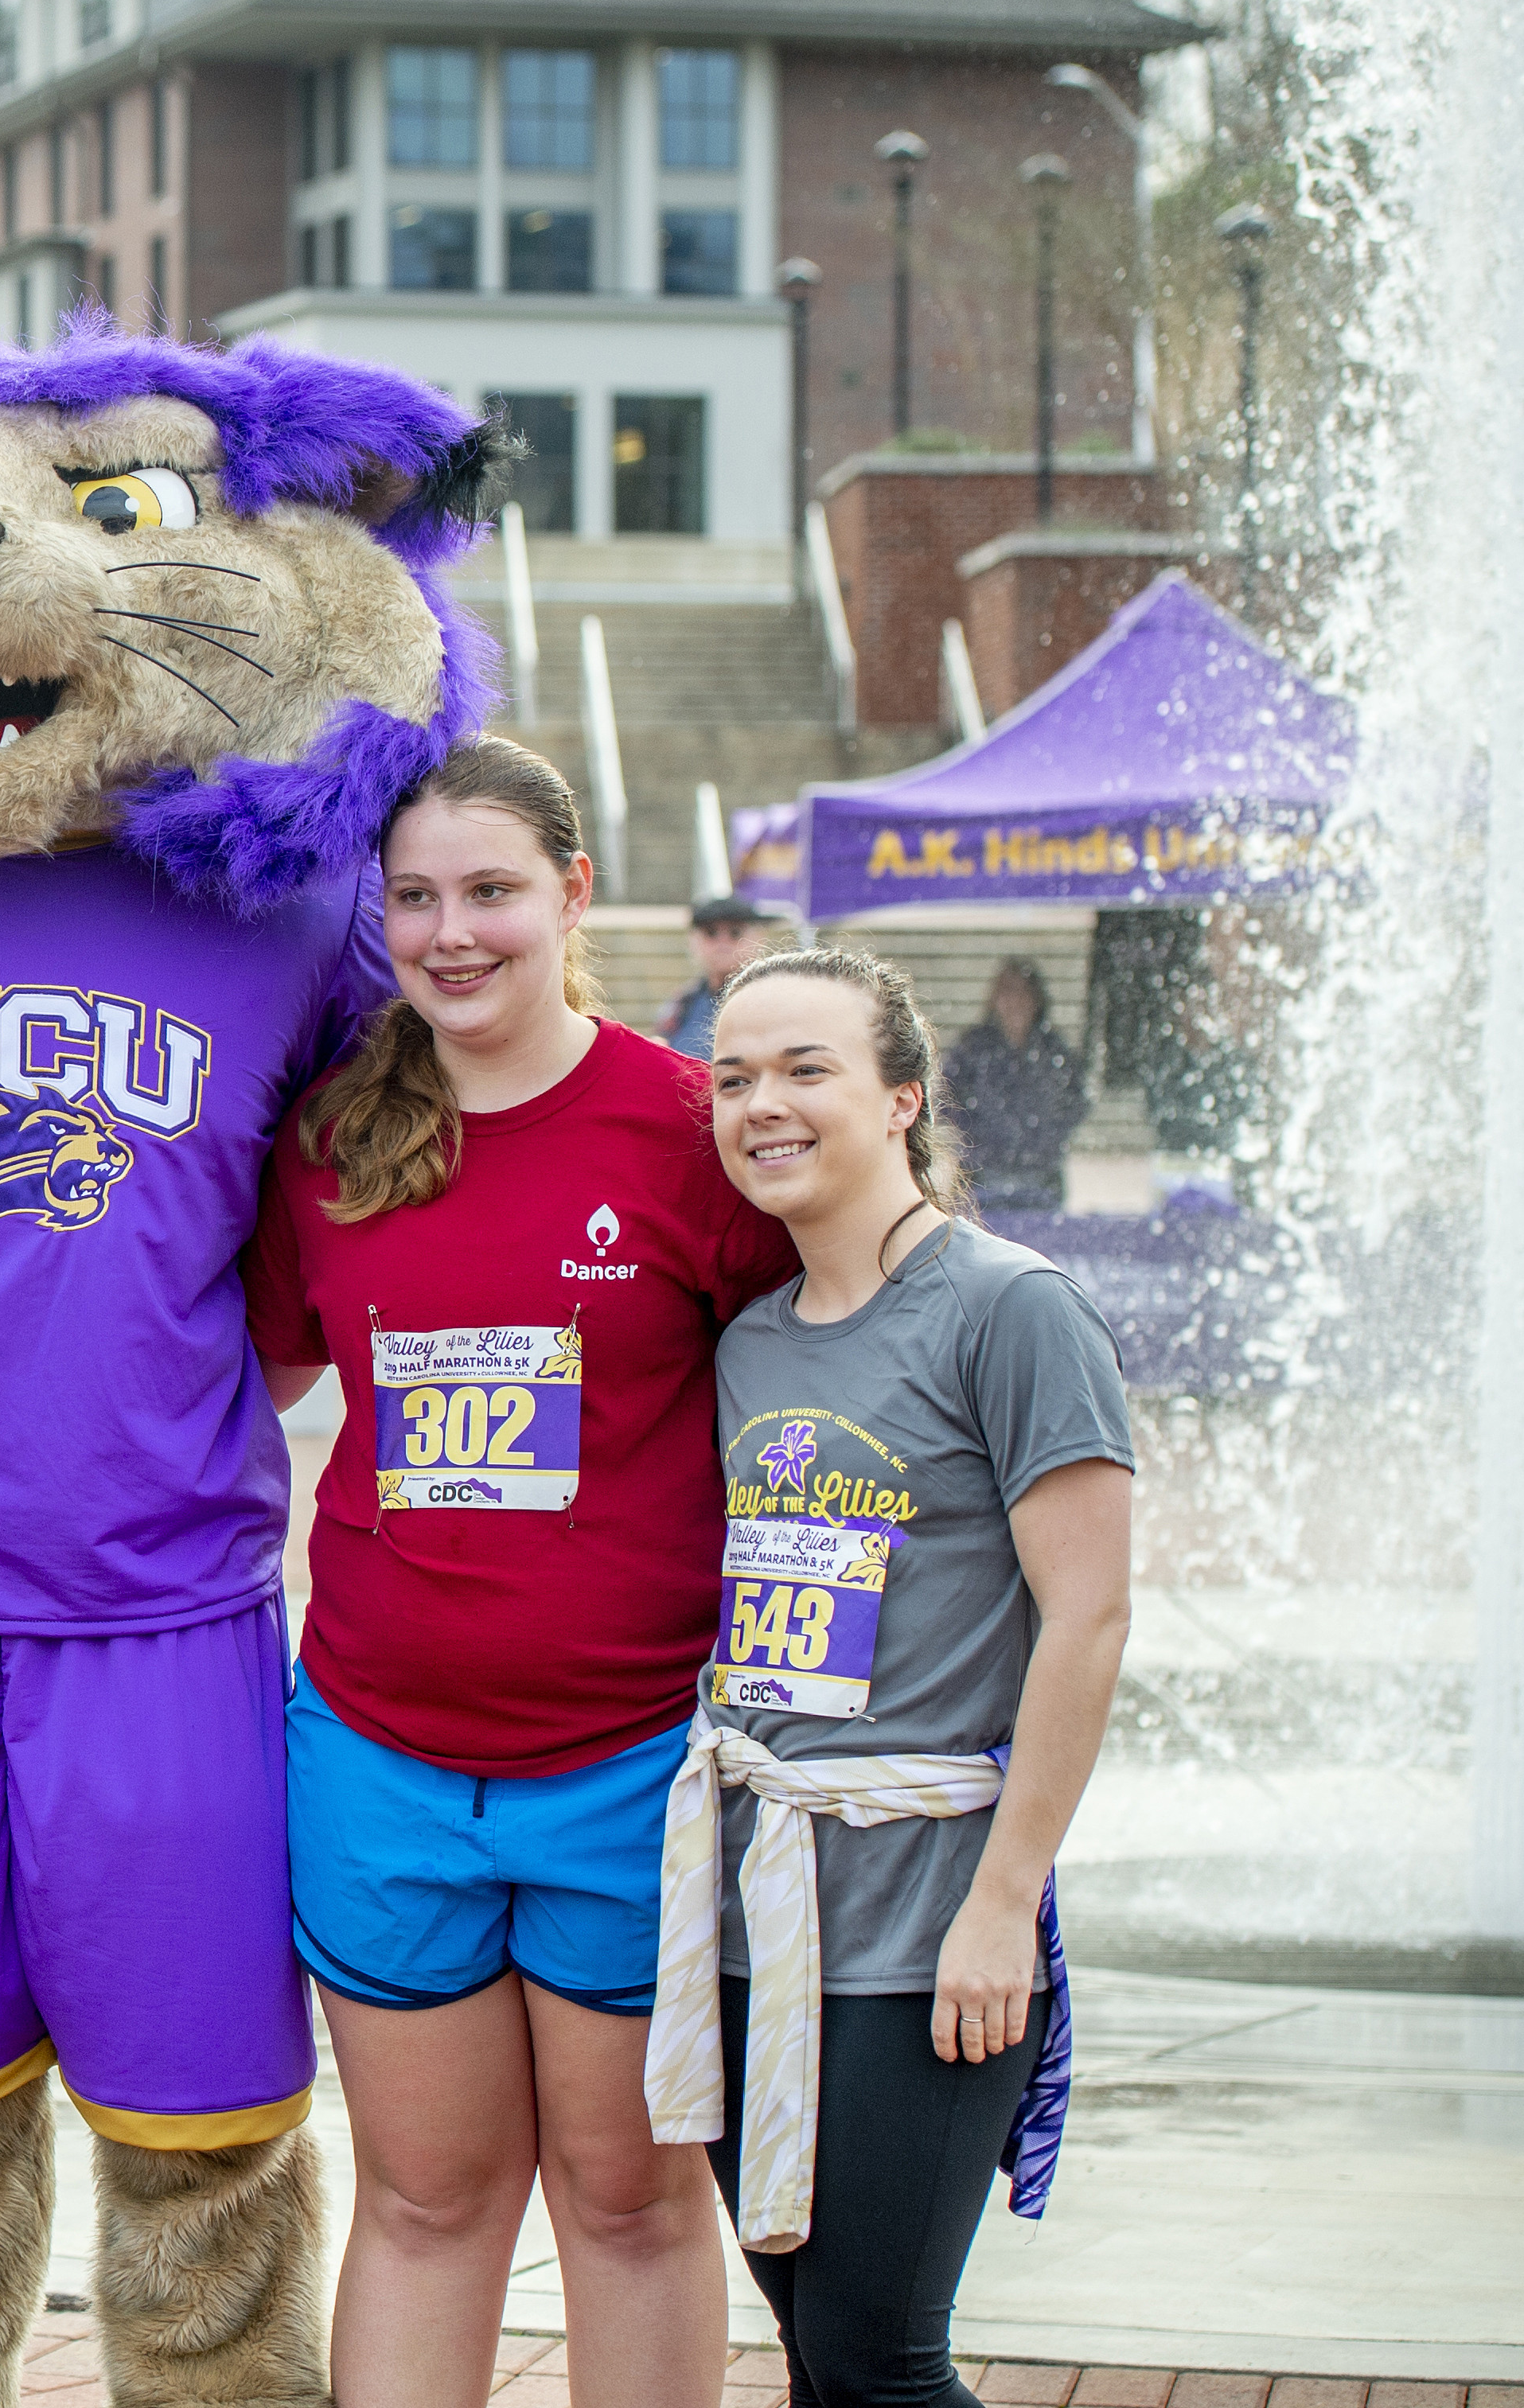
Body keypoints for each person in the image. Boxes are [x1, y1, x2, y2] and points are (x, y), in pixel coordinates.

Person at [240, 738, 797, 2408]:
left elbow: (850, 1362)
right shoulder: (329, 1140)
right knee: (422, 2197)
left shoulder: (692, 1131)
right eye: (410, 898)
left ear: (568, 894)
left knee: (625, 2198)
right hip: (376, 1756)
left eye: (487, 890)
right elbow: (222, 1378)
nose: (447, 932)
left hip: (630, 1764)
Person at [651, 944, 1132, 2408]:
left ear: (904, 1096)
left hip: (932, 1920)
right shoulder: (746, 1342)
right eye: (734, 1077)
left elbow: (1092, 1619)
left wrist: (1004, 1899)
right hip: (757, 1915)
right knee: (816, 2351)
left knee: (878, 2358)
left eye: (808, 1070)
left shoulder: (1010, 1308)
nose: (762, 1104)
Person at [940, 957, 1086, 1211]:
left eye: (1023, 993)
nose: (1015, 1002)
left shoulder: (1054, 1050)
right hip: (981, 1179)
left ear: (1036, 999)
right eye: (1008, 992)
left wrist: (1047, 1139)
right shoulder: (973, 1047)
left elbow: (1077, 1101)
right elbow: (946, 1095)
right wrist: (974, 1135)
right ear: (995, 999)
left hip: (1041, 1178)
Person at [660, 894, 770, 1060]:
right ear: (693, 940)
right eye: (711, 933)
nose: (723, 942)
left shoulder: (774, 999)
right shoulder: (682, 1004)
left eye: (735, 932)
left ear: (758, 938)